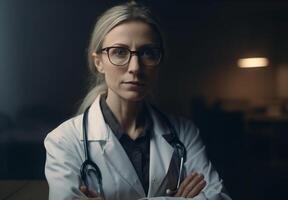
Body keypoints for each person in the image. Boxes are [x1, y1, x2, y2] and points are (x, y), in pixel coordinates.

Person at [44, 2, 231, 200]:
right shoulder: (64, 141)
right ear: (98, 62)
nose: (135, 67)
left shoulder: (184, 133)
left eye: (147, 53)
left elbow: (218, 197)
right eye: (119, 52)